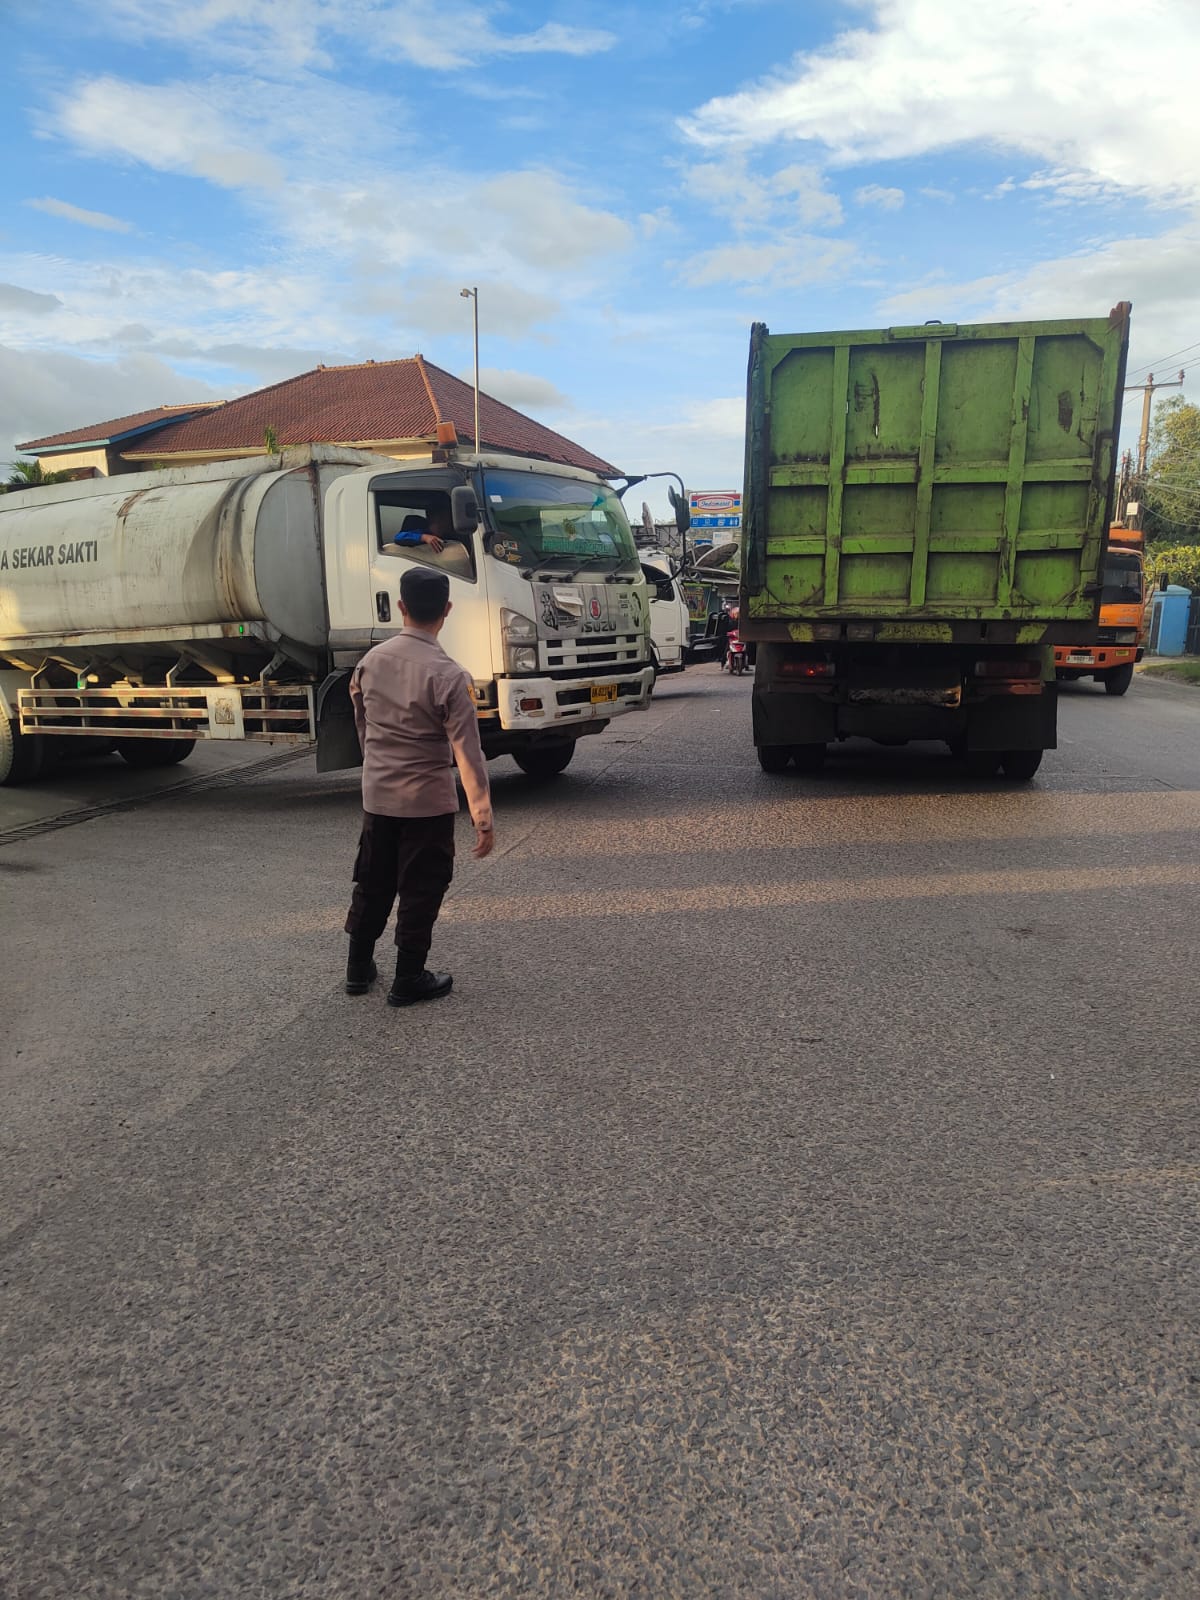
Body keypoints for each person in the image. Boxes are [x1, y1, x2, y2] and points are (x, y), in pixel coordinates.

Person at [343, 566, 494, 1007]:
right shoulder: (449, 675)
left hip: (379, 797)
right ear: (447, 610)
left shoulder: (370, 663)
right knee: (421, 887)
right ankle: (408, 977)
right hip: (427, 802)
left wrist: (377, 767)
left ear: (401, 607)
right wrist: (482, 817)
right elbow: (468, 753)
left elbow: (362, 724)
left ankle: (357, 969)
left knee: (372, 881)